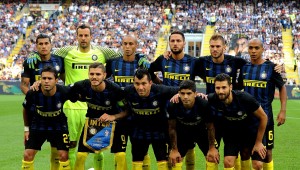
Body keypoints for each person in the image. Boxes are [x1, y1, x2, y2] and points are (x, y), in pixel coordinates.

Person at [26, 24, 149, 169]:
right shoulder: (66, 51)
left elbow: (125, 53)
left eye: (86, 35)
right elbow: (47, 52)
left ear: (91, 36)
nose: (83, 38)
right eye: (80, 35)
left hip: (97, 108)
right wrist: (34, 54)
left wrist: (141, 56)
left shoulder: (103, 51)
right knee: (71, 147)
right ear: (76, 36)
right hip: (72, 107)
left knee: (101, 148)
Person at [148, 30, 198, 170]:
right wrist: (159, 83)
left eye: (178, 41)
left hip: (187, 111)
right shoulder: (163, 59)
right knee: (170, 148)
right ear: (169, 43)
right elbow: (149, 71)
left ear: (184, 43)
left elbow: (209, 75)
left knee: (188, 146)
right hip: (167, 110)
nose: (175, 44)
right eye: (172, 41)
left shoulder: (193, 62)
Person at [238, 38, 287, 170]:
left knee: (267, 154)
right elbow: (238, 90)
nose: (253, 51)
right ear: (247, 49)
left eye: (256, 48)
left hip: (266, 118)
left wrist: (283, 111)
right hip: (246, 119)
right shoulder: (245, 68)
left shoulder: (271, 68)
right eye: (251, 48)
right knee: (245, 152)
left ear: (262, 49)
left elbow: (282, 88)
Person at [69, 62, 128, 170]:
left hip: (115, 124)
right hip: (93, 123)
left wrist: (113, 117)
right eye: (91, 74)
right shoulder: (81, 86)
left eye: (98, 74)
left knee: (120, 155)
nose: (94, 77)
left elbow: (126, 111)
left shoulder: (115, 90)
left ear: (104, 75)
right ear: (88, 74)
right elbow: (62, 90)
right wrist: (39, 83)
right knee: (80, 155)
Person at [105, 35, 151, 170]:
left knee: (143, 152)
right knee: (119, 153)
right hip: (119, 114)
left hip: (139, 115)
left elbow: (152, 83)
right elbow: (102, 78)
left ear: (136, 46)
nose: (127, 47)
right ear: (121, 45)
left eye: (131, 44)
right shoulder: (113, 63)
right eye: (125, 43)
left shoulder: (142, 63)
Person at [20, 33, 64, 170]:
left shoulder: (59, 60)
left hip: (56, 112)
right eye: (40, 44)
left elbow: (66, 79)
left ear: (51, 45)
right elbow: (23, 85)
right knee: (28, 153)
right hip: (36, 113)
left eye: (46, 43)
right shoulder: (30, 62)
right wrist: (34, 97)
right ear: (36, 46)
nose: (44, 46)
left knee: (56, 152)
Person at [208, 73, 268, 170]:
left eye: (224, 87)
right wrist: (177, 95)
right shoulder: (213, 98)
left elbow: (264, 117)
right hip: (233, 134)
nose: (221, 91)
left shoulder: (245, 98)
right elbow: (195, 96)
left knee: (257, 165)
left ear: (230, 87)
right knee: (228, 162)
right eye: (217, 88)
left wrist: (258, 142)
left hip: (252, 133)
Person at [123, 68, 178, 170]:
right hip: (138, 131)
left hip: (159, 130)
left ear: (150, 83)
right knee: (137, 163)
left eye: (144, 83)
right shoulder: (128, 91)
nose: (140, 87)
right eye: (137, 84)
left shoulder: (160, 90)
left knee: (163, 164)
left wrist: (180, 94)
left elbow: (183, 89)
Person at [21, 66, 72, 170]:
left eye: (50, 78)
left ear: (56, 80)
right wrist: (26, 129)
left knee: (63, 156)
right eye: (44, 78)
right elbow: (25, 109)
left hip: (59, 124)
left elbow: (81, 93)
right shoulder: (33, 92)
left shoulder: (63, 91)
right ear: (40, 79)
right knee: (27, 155)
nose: (46, 81)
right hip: (39, 123)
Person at [167, 80, 219, 170]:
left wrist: (212, 148)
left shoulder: (204, 104)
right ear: (178, 93)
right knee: (175, 159)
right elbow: (172, 128)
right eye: (182, 93)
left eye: (189, 93)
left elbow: (210, 127)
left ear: (195, 94)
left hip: (202, 133)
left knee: (212, 157)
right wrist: (174, 149)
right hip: (183, 133)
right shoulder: (173, 105)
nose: (185, 97)